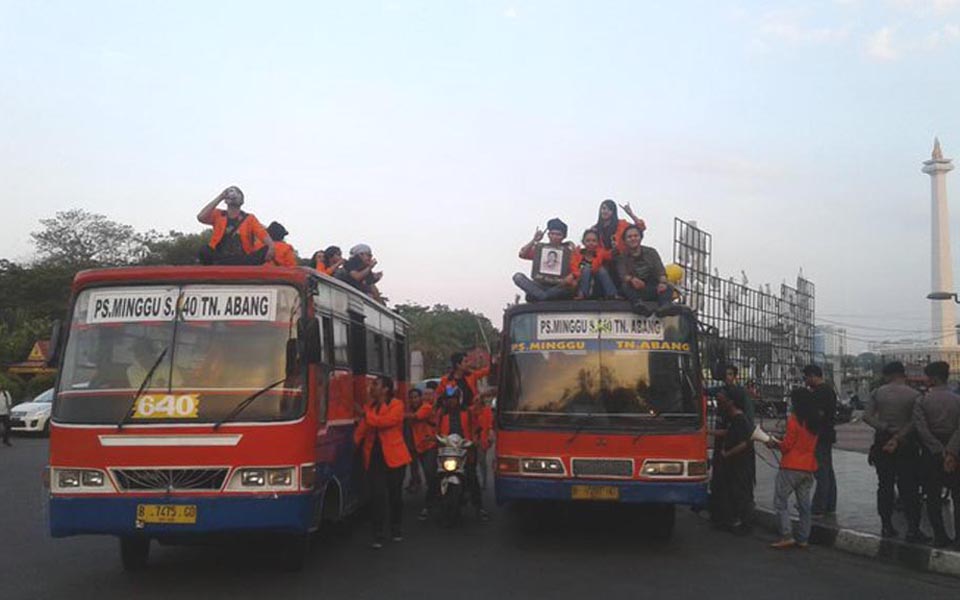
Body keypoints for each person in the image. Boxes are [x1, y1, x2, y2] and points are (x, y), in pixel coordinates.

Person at [863, 361, 927, 541]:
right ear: (902, 374)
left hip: (882, 442)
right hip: (906, 444)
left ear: (888, 375)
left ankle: (886, 526)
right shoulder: (914, 394)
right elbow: (916, 421)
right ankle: (913, 529)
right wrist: (898, 435)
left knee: (884, 486)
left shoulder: (877, 392)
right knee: (909, 487)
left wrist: (884, 427)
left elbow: (866, 416)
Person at [354, 375, 412, 548]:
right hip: (374, 458)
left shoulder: (397, 405)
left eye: (376, 384)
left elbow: (386, 422)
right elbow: (362, 430)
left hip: (395, 457)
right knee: (377, 495)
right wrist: (354, 444)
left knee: (395, 495)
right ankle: (378, 532)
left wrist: (365, 414)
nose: (372, 387)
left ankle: (396, 527)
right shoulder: (370, 407)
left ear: (386, 389)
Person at [913, 361, 960, 548]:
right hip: (956, 451)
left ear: (932, 378)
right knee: (958, 495)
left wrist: (939, 451)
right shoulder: (957, 400)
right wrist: (951, 452)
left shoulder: (922, 400)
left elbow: (921, 429)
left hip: (930, 453)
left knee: (932, 496)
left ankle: (940, 536)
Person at [769, 387, 821, 549]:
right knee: (804, 505)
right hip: (808, 467)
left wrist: (774, 443)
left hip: (791, 466)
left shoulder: (794, 419)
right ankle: (803, 537)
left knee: (780, 501)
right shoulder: (814, 421)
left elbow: (787, 446)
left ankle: (786, 535)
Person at [437, 385, 489, 520]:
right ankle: (431, 505)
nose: (451, 401)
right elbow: (436, 430)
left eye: (453, 398)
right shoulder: (441, 413)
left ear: (459, 399)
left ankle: (479, 507)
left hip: (465, 449)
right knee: (435, 475)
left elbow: (476, 427)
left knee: (472, 477)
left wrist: (475, 441)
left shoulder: (468, 412)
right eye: (448, 399)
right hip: (447, 449)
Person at [710, 388, 753, 533]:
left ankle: (743, 524)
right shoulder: (732, 418)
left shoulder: (741, 419)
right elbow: (728, 432)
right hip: (732, 464)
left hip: (740, 464)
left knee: (740, 493)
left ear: (732, 402)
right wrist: (708, 432)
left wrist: (726, 453)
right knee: (730, 492)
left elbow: (743, 443)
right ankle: (730, 520)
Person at [197, 186, 276, 265]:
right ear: (226, 200)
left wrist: (271, 246)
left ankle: (225, 264)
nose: (233, 194)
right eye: (230, 192)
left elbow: (263, 234)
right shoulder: (219, 215)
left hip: (243, 258)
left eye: (237, 193)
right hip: (220, 256)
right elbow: (201, 217)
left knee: (265, 250)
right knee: (204, 250)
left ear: (242, 201)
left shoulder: (250, 218)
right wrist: (220, 197)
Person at [512, 218, 576, 302]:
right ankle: (544, 297)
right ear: (548, 235)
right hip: (540, 285)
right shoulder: (540, 249)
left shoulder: (569, 251)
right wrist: (534, 240)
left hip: (558, 286)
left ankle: (541, 296)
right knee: (518, 277)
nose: (555, 237)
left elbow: (576, 270)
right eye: (552, 234)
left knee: (567, 291)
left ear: (563, 236)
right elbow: (522, 254)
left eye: (558, 234)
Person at [804, 364, 838, 517]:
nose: (805, 381)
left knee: (821, 472)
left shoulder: (819, 392)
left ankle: (819, 507)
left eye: (806, 377)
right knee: (828, 471)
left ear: (812, 376)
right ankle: (830, 504)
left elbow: (817, 415)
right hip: (827, 434)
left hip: (819, 435)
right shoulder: (829, 390)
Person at [615, 225, 673, 312]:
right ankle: (638, 305)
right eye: (629, 237)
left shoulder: (651, 252)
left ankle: (664, 308)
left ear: (640, 237)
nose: (633, 239)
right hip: (635, 290)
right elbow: (622, 275)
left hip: (652, 287)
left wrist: (663, 283)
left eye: (636, 236)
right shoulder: (622, 257)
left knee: (668, 287)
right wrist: (632, 279)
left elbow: (661, 272)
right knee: (625, 287)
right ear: (625, 240)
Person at [410, 386, 440, 520]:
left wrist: (397, 414)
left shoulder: (426, 407)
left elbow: (417, 416)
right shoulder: (418, 407)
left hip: (430, 446)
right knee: (429, 475)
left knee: (429, 472)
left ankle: (430, 503)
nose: (427, 397)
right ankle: (435, 496)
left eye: (430, 394)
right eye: (425, 394)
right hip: (420, 447)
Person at [570, 228, 617, 300]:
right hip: (579, 283)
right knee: (586, 268)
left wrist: (615, 247)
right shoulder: (577, 254)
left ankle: (612, 294)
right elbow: (573, 268)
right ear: (583, 242)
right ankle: (582, 294)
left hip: (595, 284)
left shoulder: (600, 253)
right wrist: (581, 273)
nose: (591, 243)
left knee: (601, 269)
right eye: (588, 241)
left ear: (598, 243)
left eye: (594, 241)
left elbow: (610, 255)